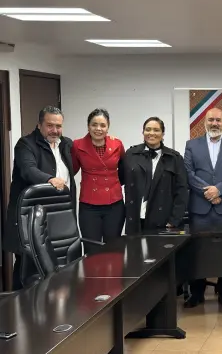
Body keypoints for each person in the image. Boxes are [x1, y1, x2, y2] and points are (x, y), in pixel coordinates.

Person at [5, 106, 76, 290]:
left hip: (58, 214)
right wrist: (49, 179)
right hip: (31, 215)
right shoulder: (26, 144)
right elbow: (28, 170)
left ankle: (50, 307)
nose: (55, 130)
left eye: (58, 126)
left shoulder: (66, 144)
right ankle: (18, 307)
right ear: (39, 125)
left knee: (56, 262)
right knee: (27, 263)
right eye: (50, 125)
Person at [183, 108, 222, 308]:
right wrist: (207, 192)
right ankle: (196, 293)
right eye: (211, 120)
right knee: (197, 251)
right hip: (200, 209)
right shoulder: (192, 145)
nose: (214, 123)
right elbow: (188, 173)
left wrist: (219, 191)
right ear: (205, 122)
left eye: (218, 120)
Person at [123, 117, 188, 234]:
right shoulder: (131, 154)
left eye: (156, 130)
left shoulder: (174, 158)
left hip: (162, 221)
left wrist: (174, 220)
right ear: (143, 132)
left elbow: (182, 191)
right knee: (135, 252)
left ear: (163, 134)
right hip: (136, 218)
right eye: (148, 129)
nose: (151, 133)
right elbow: (122, 180)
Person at [71, 109, 125, 243]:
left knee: (113, 247)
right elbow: (72, 169)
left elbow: (124, 169)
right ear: (88, 126)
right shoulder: (77, 145)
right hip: (89, 205)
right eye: (94, 124)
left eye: (103, 125)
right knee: (92, 248)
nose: (98, 129)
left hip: (114, 204)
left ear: (108, 127)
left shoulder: (117, 144)